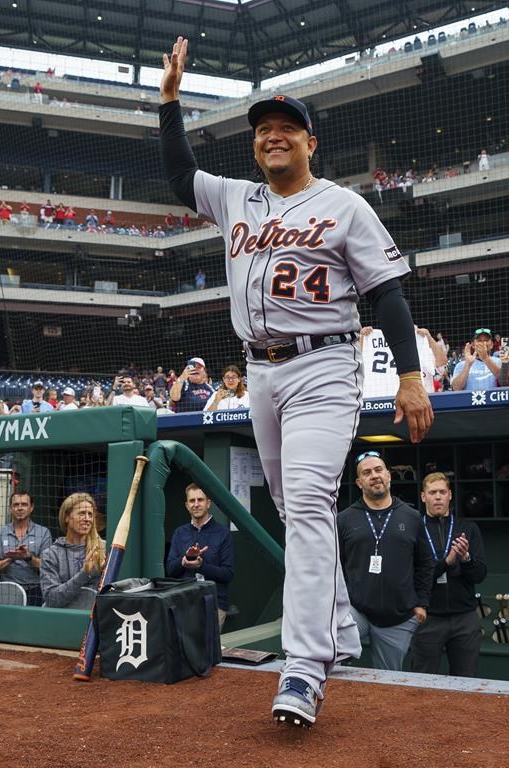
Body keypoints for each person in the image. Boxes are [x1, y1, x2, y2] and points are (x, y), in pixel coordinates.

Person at [159, 36, 433, 728]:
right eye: (262, 130)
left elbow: (390, 295)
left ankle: (304, 669)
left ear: (310, 140)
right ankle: (339, 625)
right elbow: (178, 175)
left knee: (309, 503)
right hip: (259, 372)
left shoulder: (344, 205)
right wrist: (169, 104)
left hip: (322, 366)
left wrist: (409, 377)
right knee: (291, 508)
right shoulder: (236, 199)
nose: (272, 136)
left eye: (285, 127)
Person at [338, 452, 434, 671]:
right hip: (355, 610)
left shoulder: (411, 517)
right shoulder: (344, 519)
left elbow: (425, 563)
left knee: (387, 682)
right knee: (330, 657)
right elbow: (334, 565)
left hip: (397, 618)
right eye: (367, 472)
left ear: (389, 476)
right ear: (359, 482)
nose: (374, 476)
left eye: (379, 470)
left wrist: (422, 603)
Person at [411, 472, 487, 677]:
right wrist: (446, 562)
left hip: (465, 617)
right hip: (428, 617)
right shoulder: (414, 529)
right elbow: (414, 576)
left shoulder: (468, 529)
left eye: (442, 492)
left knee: (466, 681)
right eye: (432, 492)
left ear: (450, 495)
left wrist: (466, 559)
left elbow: (479, 575)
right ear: (423, 496)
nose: (438, 497)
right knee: (422, 680)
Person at [166, 484, 234, 631]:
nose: (196, 504)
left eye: (200, 500)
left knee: (208, 652)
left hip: (214, 605)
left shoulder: (223, 534)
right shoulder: (179, 533)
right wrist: (183, 561)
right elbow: (170, 569)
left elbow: (228, 574)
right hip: (184, 603)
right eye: (192, 501)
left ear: (208, 503)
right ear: (186, 505)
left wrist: (201, 566)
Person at [40, 493, 105, 609]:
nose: (87, 519)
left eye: (90, 514)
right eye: (81, 513)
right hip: (61, 619)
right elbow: (52, 600)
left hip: (94, 619)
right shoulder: (51, 554)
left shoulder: (102, 549)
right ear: (67, 517)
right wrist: (84, 574)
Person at [0, 492, 52, 606]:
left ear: (31, 507)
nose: (20, 508)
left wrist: (28, 557)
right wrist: (10, 558)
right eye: (16, 505)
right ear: (10, 508)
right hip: (5, 590)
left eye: (24, 504)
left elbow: (48, 567)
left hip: (35, 590)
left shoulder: (43, 532)